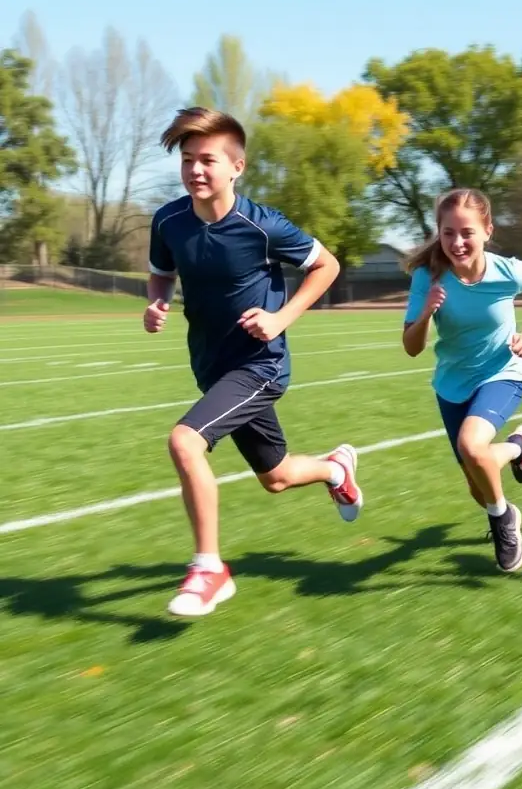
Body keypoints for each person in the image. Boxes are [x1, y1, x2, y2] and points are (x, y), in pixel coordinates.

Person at [144, 107, 363, 618]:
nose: (196, 170)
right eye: (188, 160)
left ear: (236, 167)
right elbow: (160, 273)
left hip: (259, 367)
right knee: (278, 477)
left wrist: (281, 317)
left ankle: (208, 569)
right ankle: (336, 469)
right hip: (211, 366)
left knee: (184, 441)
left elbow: (326, 265)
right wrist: (156, 301)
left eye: (208, 160)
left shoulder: (262, 225)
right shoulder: (168, 220)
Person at [402, 188, 522, 573]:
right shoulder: (428, 277)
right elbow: (411, 347)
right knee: (477, 484)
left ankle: (503, 521)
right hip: (452, 385)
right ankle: (518, 448)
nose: (457, 242)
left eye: (467, 232)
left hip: (503, 374)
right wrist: (425, 314)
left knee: (472, 446)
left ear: (487, 229)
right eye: (448, 232)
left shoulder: (507, 271)